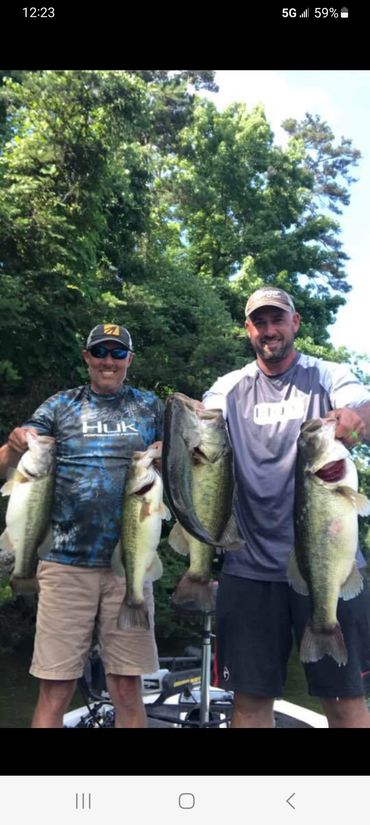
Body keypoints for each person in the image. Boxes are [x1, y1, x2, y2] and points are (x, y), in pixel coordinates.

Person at [202, 286, 370, 728]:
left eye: (278, 320)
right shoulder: (230, 387)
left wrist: (357, 418)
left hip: (331, 571)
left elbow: (360, 407)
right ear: (248, 330)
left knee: (345, 699)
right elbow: (201, 426)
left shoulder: (328, 374)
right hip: (249, 568)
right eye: (260, 322)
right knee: (250, 702)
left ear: (295, 323)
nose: (269, 330)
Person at [0, 324, 163, 728]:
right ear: (87, 356)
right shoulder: (59, 406)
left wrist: (172, 453)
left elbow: (189, 466)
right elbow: (11, 459)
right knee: (55, 688)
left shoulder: (151, 407)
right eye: (100, 352)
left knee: (127, 686)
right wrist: (13, 445)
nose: (109, 361)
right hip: (63, 563)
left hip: (131, 564)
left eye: (118, 353)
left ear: (130, 360)